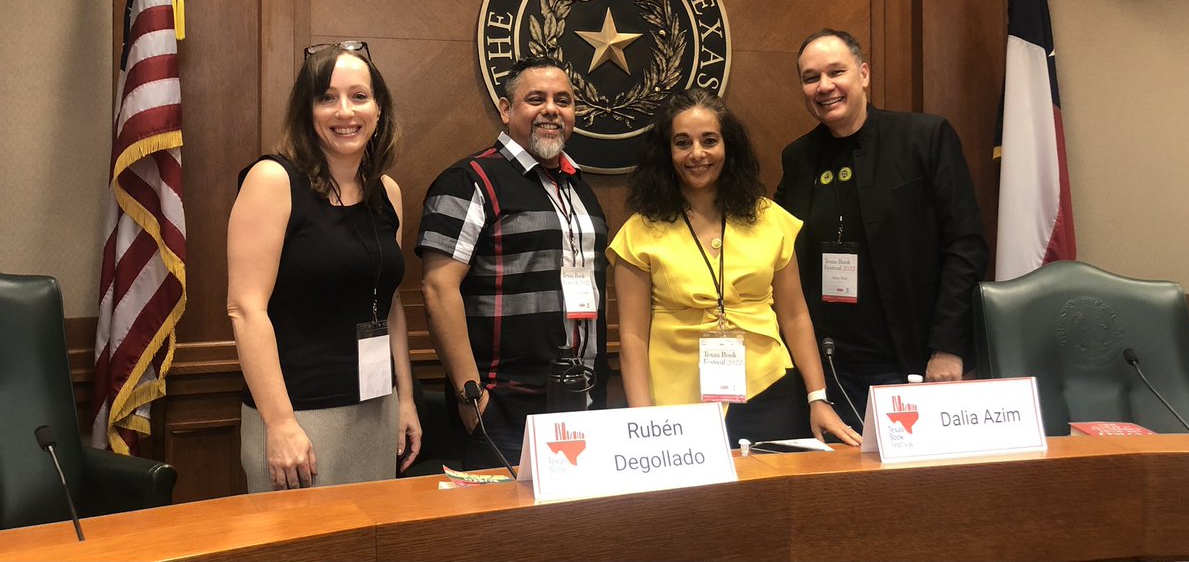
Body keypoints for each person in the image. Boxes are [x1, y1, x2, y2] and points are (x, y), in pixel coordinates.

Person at [608, 88, 860, 447]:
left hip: (768, 386)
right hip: (676, 400)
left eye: (709, 140)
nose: (697, 154)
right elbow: (632, 336)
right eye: (682, 142)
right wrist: (643, 420)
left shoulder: (770, 219)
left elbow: (794, 315)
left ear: (729, 147)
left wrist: (817, 397)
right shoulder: (639, 232)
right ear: (667, 152)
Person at [227, 41, 421, 492]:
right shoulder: (273, 180)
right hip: (298, 418)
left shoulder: (387, 192)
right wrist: (279, 423)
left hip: (376, 409)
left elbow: (389, 303)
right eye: (327, 97)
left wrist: (405, 399)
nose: (344, 111)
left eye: (359, 96)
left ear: (378, 109)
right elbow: (245, 309)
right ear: (306, 111)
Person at [775, 28, 989, 430]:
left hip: (917, 359)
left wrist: (948, 346)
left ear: (864, 74)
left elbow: (966, 246)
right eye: (810, 78)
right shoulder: (799, 158)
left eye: (836, 72)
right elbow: (775, 250)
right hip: (832, 365)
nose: (824, 87)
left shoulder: (924, 139)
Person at [416, 56, 608, 469]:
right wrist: (472, 398)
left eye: (564, 100)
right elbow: (437, 288)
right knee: (506, 534)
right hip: (502, 409)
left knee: (576, 531)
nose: (551, 110)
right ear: (506, 110)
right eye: (535, 99)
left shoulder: (580, 188)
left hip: (583, 403)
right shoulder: (470, 180)